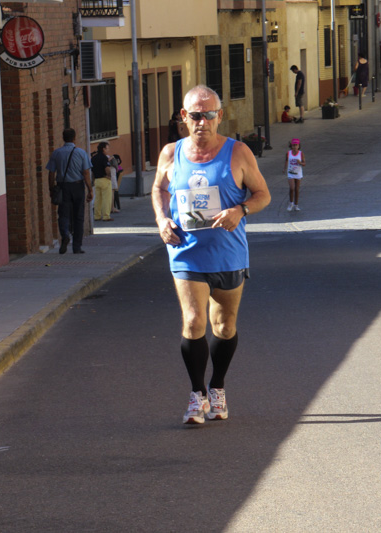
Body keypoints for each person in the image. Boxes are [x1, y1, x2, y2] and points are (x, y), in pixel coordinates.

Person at [152, 85, 271, 425]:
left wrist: (241, 210)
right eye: (194, 115)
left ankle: (217, 387)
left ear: (220, 116)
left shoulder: (238, 153)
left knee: (225, 324)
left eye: (208, 115)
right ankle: (196, 394)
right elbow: (160, 188)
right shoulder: (171, 153)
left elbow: (263, 194)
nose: (201, 122)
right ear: (183, 117)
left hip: (229, 254)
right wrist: (162, 220)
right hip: (186, 252)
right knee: (193, 321)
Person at [47, 128, 93, 254]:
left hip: (62, 187)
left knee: (63, 214)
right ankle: (77, 247)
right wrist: (90, 189)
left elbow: (51, 173)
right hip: (78, 187)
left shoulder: (56, 153)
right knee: (78, 216)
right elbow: (85, 173)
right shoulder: (81, 153)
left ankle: (65, 234)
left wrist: (51, 189)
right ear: (74, 138)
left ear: (63, 138)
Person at [91, 142, 114, 222]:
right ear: (103, 149)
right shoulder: (104, 158)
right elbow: (107, 168)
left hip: (97, 180)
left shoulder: (93, 158)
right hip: (105, 180)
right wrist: (109, 176)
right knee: (106, 199)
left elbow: (92, 170)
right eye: (107, 148)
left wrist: (93, 180)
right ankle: (106, 216)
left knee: (98, 199)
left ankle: (97, 216)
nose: (108, 150)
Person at [284, 138, 305, 211]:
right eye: (293, 145)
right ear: (291, 146)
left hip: (298, 173)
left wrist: (300, 163)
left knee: (297, 189)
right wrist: (284, 169)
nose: (295, 147)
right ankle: (290, 203)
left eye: (296, 145)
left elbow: (304, 163)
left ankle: (296, 205)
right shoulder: (288, 153)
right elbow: (286, 160)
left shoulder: (301, 153)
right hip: (290, 173)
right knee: (292, 187)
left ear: (299, 146)